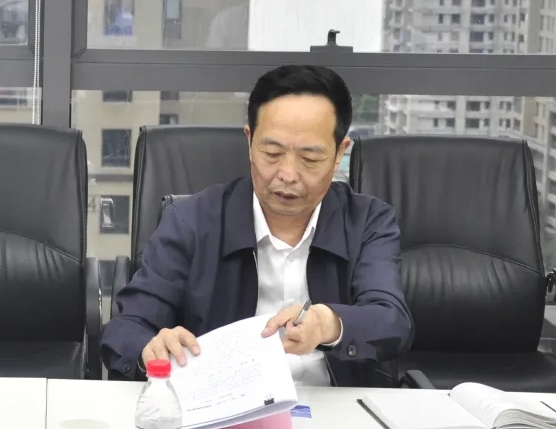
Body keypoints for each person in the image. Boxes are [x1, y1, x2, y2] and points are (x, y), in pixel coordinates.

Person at [100, 65, 413, 387]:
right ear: (250, 141)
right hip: (222, 404)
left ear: (339, 154)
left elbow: (392, 321)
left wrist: (330, 324)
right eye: (272, 153)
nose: (288, 175)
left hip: (334, 405)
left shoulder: (367, 222)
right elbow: (127, 327)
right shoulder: (190, 221)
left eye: (310, 159)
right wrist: (149, 349)